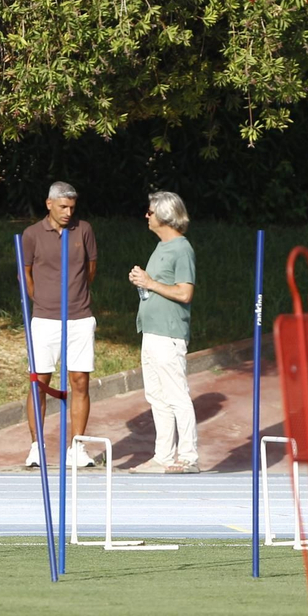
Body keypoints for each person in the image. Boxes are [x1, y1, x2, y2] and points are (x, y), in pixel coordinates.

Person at [20, 181, 98, 469]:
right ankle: (36, 447)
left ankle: (77, 447)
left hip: (79, 317)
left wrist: (76, 296)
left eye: (72, 207)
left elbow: (90, 268)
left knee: (80, 381)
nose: (68, 212)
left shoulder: (84, 230)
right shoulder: (32, 235)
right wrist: (42, 301)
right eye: (63, 206)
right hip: (44, 319)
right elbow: (25, 274)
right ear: (49, 204)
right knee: (39, 382)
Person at [128, 191, 198, 473]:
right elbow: (159, 285)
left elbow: (185, 292)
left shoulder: (182, 249)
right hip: (152, 331)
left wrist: (150, 282)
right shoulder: (161, 247)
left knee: (176, 394)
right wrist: (144, 283)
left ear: (165, 216)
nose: (147, 215)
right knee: (156, 396)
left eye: (150, 211)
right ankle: (164, 456)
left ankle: (189, 457)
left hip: (168, 334)